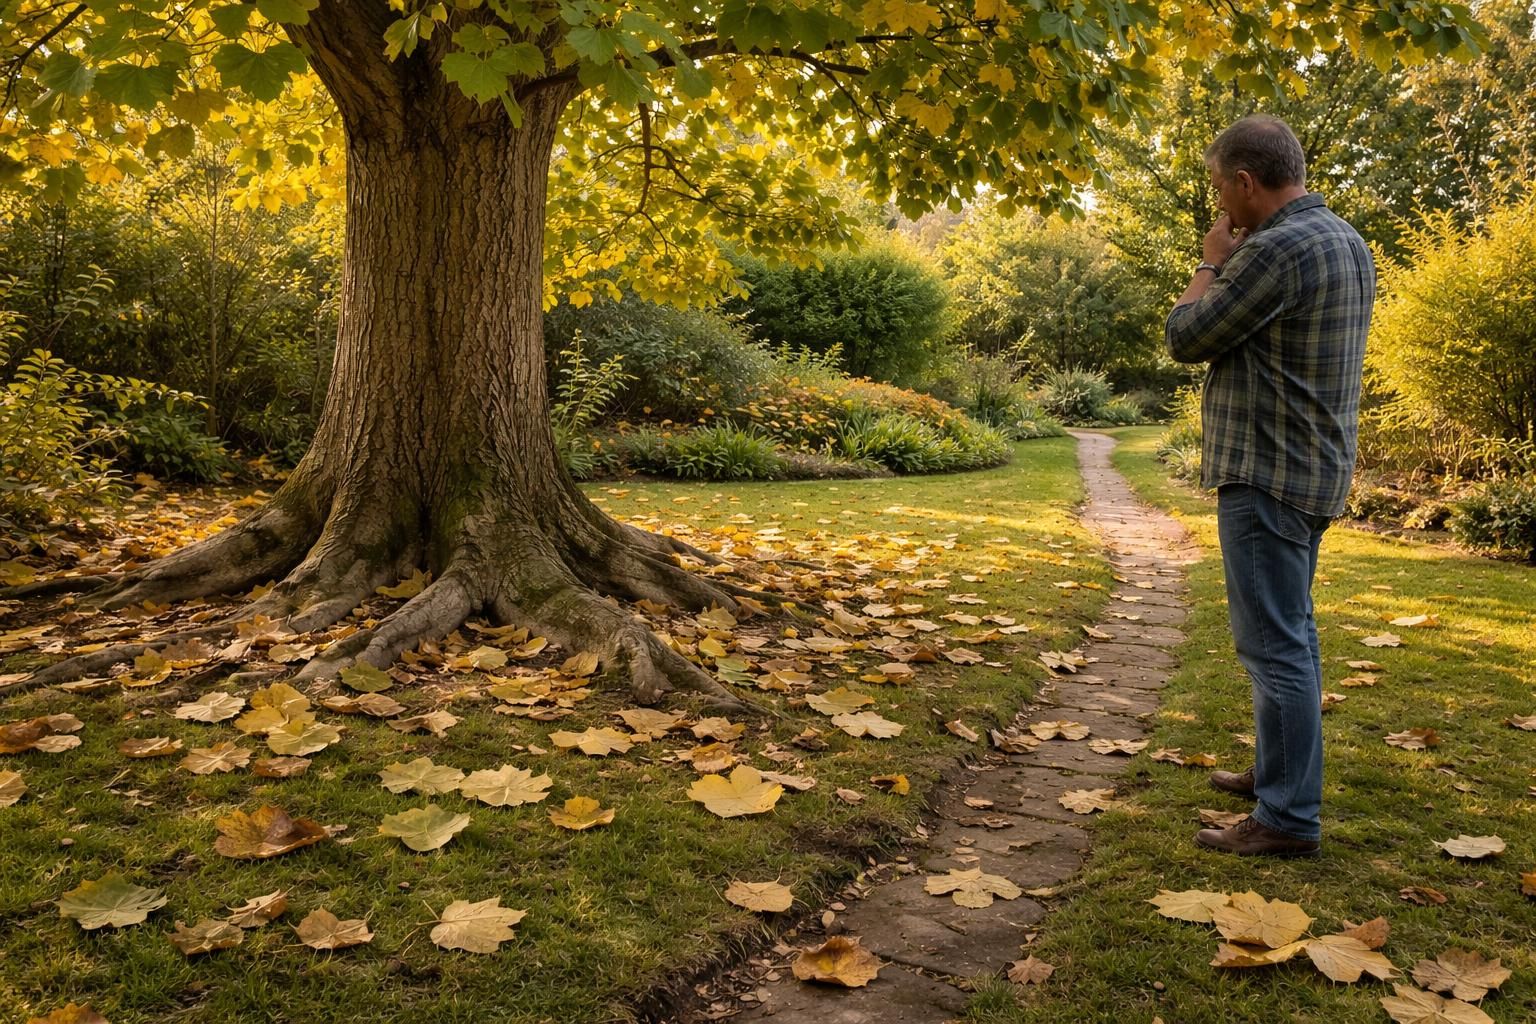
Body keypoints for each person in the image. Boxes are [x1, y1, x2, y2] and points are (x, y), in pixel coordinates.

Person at [1165, 115, 1376, 857]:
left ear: (1246, 183)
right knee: (1297, 635)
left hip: (1265, 469)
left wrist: (1211, 263)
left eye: (1221, 186)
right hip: (1314, 467)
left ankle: (1287, 819)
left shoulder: (1274, 250)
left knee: (1273, 646)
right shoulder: (1345, 240)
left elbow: (1188, 337)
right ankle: (1277, 775)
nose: (1219, 201)